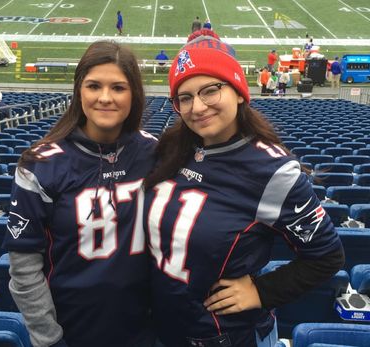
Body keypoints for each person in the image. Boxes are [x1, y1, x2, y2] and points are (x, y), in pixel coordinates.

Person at [143, 30, 345, 347]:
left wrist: (261, 291)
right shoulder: (171, 148)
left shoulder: (272, 171)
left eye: (210, 90)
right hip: (162, 330)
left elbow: (326, 256)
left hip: (225, 337)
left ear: (238, 91)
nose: (197, 107)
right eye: (185, 97)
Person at [2, 40, 157, 347]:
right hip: (71, 330)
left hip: (147, 327)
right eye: (93, 86)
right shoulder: (41, 164)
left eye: (118, 88)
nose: (105, 98)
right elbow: (24, 267)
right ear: (79, 90)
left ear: (134, 93)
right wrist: (49, 338)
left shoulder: (156, 153)